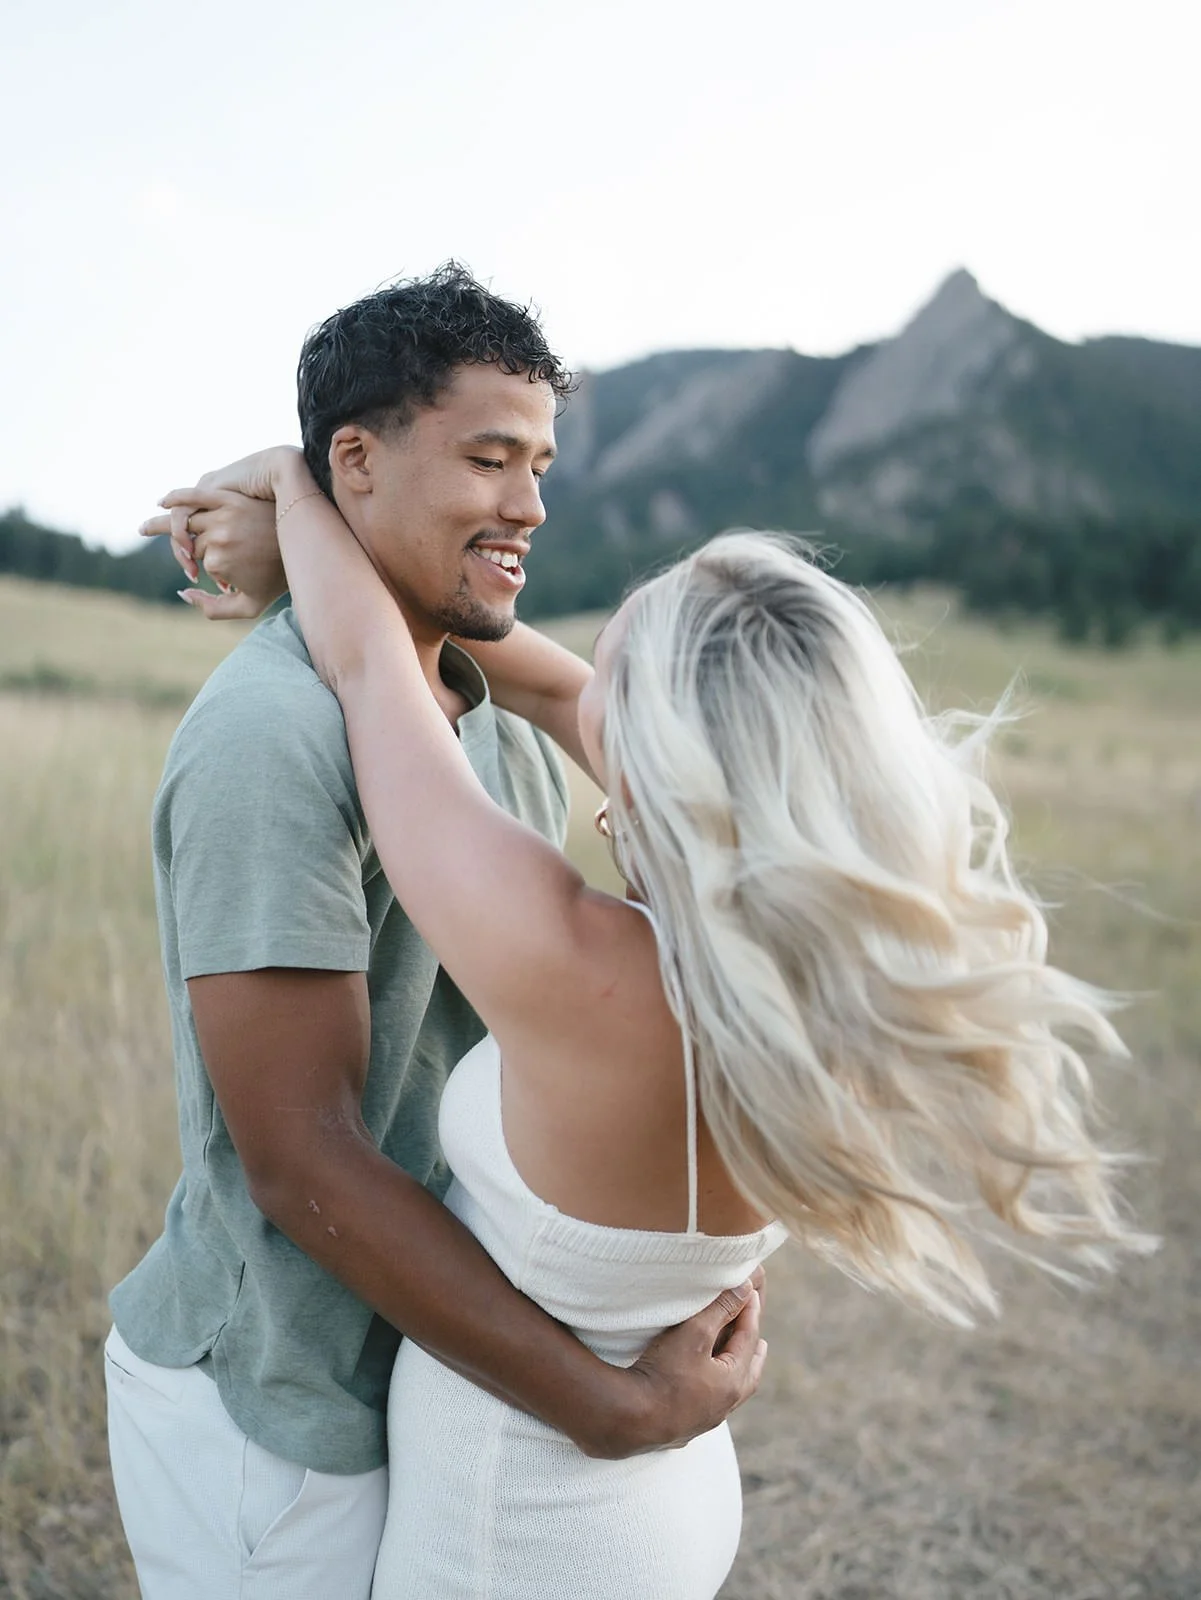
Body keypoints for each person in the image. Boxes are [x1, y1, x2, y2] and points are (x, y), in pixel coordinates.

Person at [162, 438, 1153, 1598]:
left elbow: (374, 674)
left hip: (518, 1529)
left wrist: (296, 487)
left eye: (612, 684)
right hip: (664, 1508)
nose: (579, 694)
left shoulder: (583, 965)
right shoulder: (817, 976)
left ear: (661, 756)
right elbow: (541, 686)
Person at [110, 266, 768, 1600]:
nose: (528, 505)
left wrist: (301, 519)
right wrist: (597, 1402)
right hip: (291, 1410)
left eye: (538, 465)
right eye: (487, 458)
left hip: (459, 1368)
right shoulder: (270, 740)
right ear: (353, 461)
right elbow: (304, 1164)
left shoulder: (475, 717)